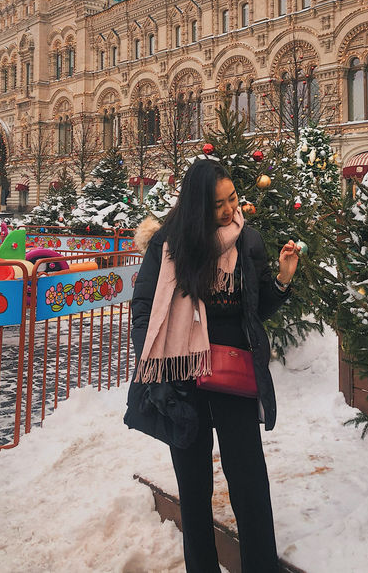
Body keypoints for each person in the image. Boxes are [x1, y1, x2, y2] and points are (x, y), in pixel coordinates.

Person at [129, 159, 298, 573]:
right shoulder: (168, 245)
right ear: (196, 206)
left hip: (233, 378)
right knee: (194, 487)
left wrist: (282, 280)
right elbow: (144, 309)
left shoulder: (248, 241)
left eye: (233, 199)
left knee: (249, 485)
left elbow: (257, 307)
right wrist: (158, 362)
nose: (228, 211)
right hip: (183, 382)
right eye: (217, 204)